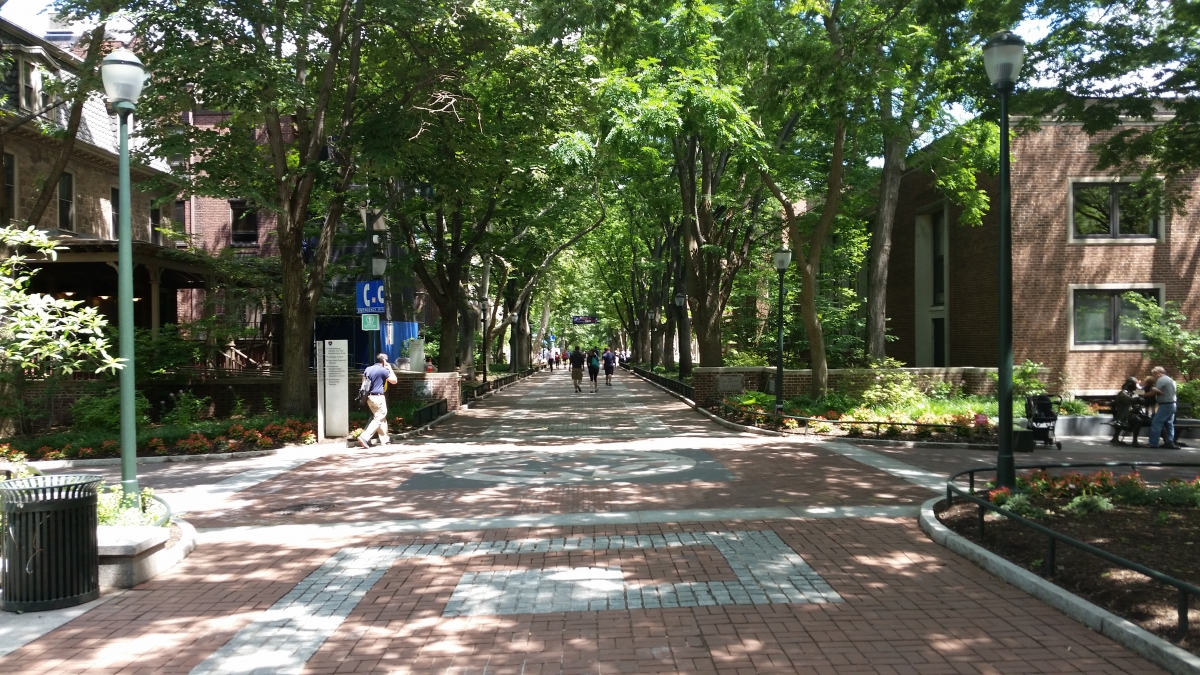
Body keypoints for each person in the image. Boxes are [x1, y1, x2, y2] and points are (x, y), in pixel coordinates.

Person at [359, 353, 398, 449]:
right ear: (384, 361)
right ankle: (364, 437)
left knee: (381, 418)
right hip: (378, 397)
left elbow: (363, 383)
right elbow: (394, 381)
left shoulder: (368, 369)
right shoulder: (383, 370)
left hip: (369, 398)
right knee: (379, 418)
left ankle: (385, 440)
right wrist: (390, 368)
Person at [1109, 376, 1148, 447]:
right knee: (1138, 420)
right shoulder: (1122, 393)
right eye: (1135, 384)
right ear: (1130, 385)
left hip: (1132, 414)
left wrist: (1141, 400)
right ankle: (1135, 441)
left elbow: (1139, 401)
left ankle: (1167, 441)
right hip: (1123, 416)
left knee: (1154, 421)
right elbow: (1131, 400)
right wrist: (1139, 399)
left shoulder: (1133, 393)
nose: (1136, 387)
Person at [1146, 366, 1178, 449]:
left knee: (1156, 422)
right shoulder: (1170, 380)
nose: (1154, 377)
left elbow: (1155, 392)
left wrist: (1143, 395)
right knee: (1169, 424)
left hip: (1166, 404)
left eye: (1154, 374)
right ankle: (1169, 442)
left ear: (1158, 373)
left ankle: (1153, 443)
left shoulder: (1161, 380)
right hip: (1172, 404)